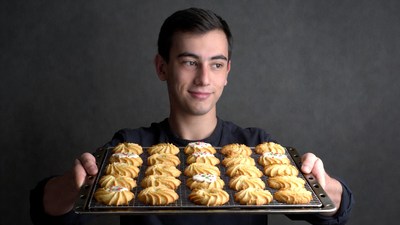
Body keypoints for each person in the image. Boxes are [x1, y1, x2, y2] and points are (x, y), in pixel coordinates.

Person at [30, 7, 354, 225]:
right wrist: (72, 188)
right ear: (162, 67)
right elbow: (44, 209)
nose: (203, 79)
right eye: (188, 62)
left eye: (215, 64)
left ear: (227, 72)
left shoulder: (256, 149)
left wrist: (323, 187)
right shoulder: (131, 148)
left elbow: (334, 211)